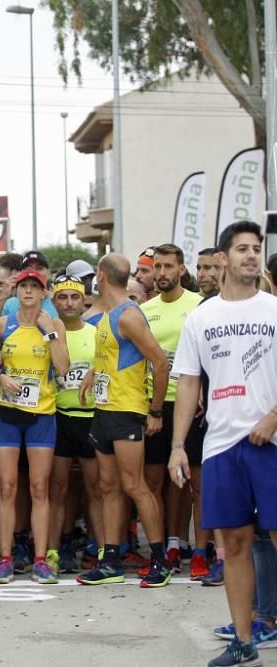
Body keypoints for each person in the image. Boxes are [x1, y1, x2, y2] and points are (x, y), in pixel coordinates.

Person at [169, 221, 277, 666]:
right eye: (243, 249)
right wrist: (178, 445)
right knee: (232, 544)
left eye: (257, 249)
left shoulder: (273, 310)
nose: (251, 255)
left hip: (271, 443)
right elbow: (190, 384)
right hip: (220, 446)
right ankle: (244, 640)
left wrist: (273, 417)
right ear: (225, 257)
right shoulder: (202, 317)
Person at [77, 253, 171, 588]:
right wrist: (92, 374)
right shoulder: (107, 314)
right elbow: (113, 355)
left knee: (135, 485)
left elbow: (160, 363)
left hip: (126, 409)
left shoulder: (129, 316)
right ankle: (111, 560)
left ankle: (160, 559)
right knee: (108, 487)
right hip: (104, 409)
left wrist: (155, 411)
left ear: (101, 275)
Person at [0, 269, 69, 585]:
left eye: (35, 287)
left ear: (44, 292)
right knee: (7, 487)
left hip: (42, 415)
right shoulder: (2, 325)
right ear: (17, 291)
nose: (28, 292)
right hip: (7, 415)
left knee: (39, 488)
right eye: (24, 286)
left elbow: (63, 367)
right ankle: (6, 559)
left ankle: (40, 560)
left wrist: (49, 332)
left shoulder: (54, 324)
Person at [139, 243, 204, 575]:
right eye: (157, 267)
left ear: (181, 270)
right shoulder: (146, 309)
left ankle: (202, 551)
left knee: (194, 481)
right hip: (154, 405)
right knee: (154, 481)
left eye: (168, 267)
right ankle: (166, 547)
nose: (161, 273)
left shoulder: (199, 306)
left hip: (191, 403)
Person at [48, 275, 103, 575]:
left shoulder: (95, 332)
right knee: (58, 488)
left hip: (90, 418)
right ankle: (59, 547)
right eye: (62, 297)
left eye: (74, 297)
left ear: (84, 300)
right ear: (54, 302)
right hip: (58, 417)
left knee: (95, 488)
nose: (69, 303)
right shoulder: (50, 333)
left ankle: (98, 547)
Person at [0, 252, 57, 319]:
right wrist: (2, 297)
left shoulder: (59, 301)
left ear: (48, 273)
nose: (34, 272)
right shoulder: (10, 303)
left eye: (39, 268)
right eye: (28, 269)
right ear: (21, 273)